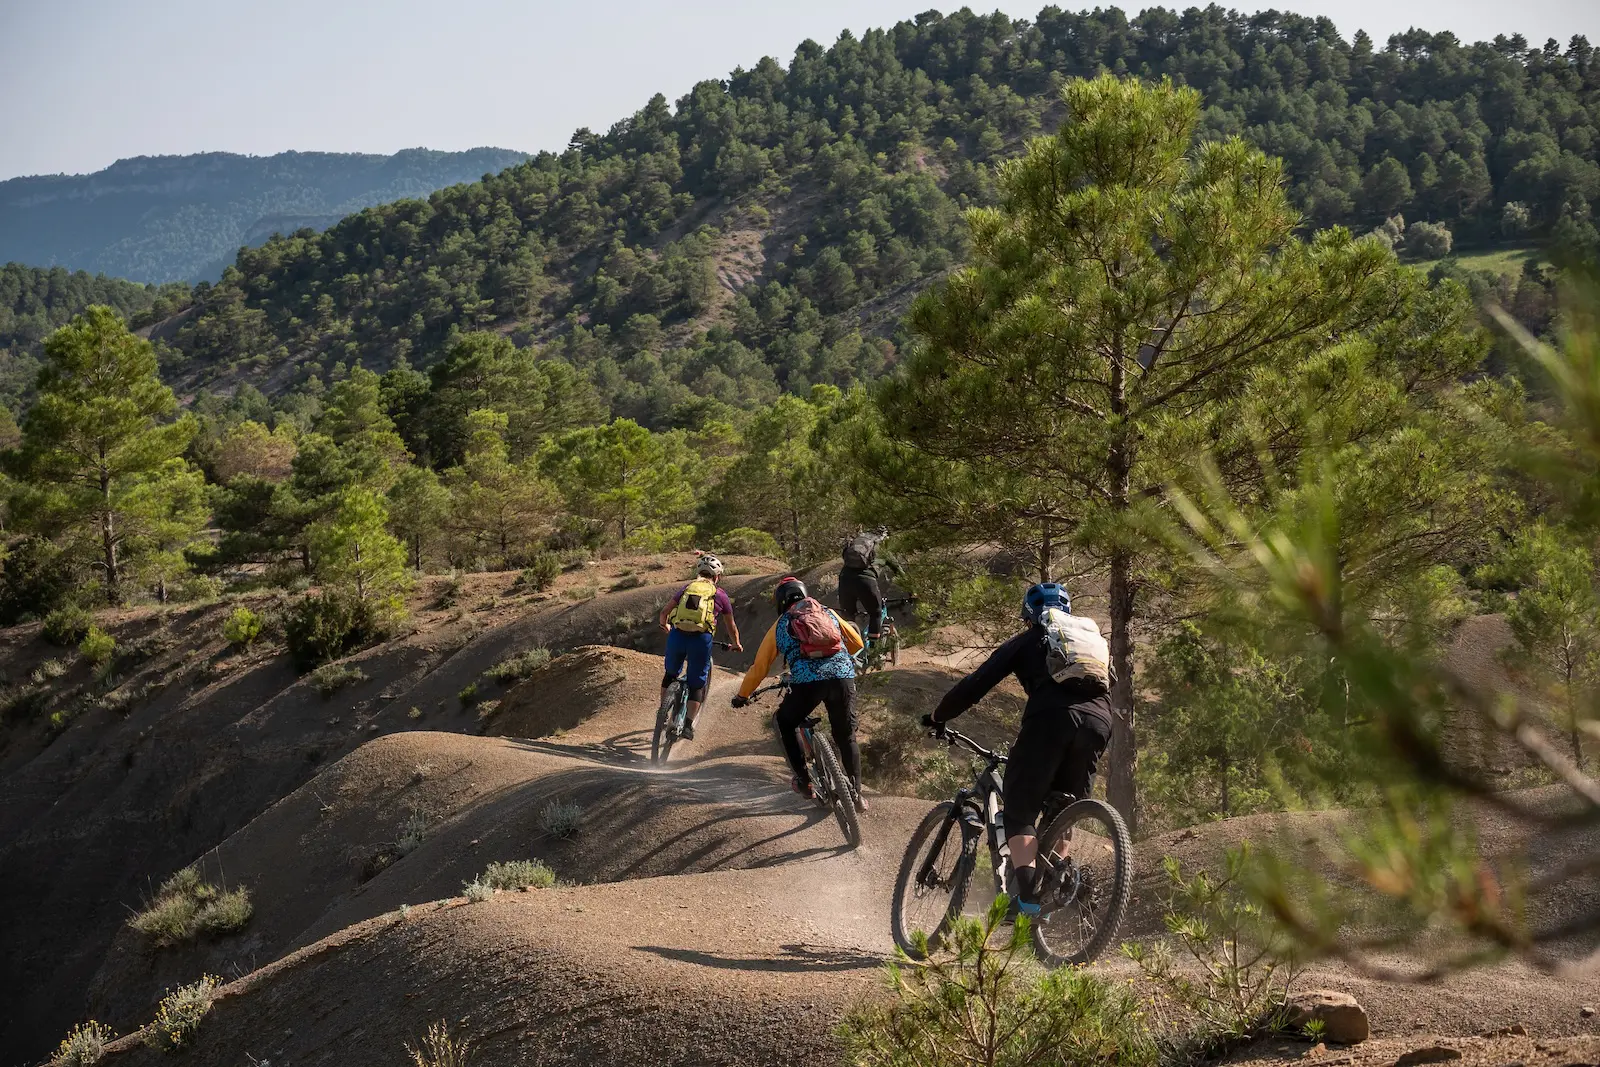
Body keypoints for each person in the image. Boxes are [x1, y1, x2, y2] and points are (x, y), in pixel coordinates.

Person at [921, 582, 1114, 917]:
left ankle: (1026, 899)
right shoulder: (1092, 646)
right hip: (1100, 723)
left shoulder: (1030, 640)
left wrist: (939, 716)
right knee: (1064, 807)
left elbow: (975, 684)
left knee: (1020, 813)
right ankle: (1060, 874)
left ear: (1029, 617)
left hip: (1051, 720)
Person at [731, 576, 867, 806]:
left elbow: (760, 667)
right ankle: (856, 793)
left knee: (785, 721)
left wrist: (742, 695)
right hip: (843, 677)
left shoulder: (781, 624)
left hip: (807, 682)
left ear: (780, 601)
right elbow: (856, 643)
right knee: (846, 736)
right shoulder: (828, 613)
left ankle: (805, 782)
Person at [656, 552, 741, 740]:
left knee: (670, 674)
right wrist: (736, 643)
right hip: (701, 640)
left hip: (677, 635)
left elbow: (664, 612)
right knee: (697, 683)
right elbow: (731, 625)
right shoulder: (720, 594)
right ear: (717, 576)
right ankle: (687, 726)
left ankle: (662, 714)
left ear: (698, 572)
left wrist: (666, 626)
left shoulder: (687, 588)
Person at [837, 525, 901, 641]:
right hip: (865, 581)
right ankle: (873, 652)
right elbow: (898, 569)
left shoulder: (858, 545)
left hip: (844, 578)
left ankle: (847, 647)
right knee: (876, 613)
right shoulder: (882, 549)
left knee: (848, 614)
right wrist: (913, 591)